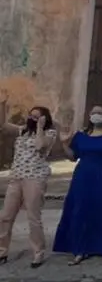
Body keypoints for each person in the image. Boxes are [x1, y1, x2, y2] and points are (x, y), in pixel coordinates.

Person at [54, 104, 102, 264]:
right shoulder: (81, 135)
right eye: (94, 112)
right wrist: (65, 144)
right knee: (79, 209)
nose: (96, 115)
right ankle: (80, 249)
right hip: (82, 175)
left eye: (100, 112)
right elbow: (73, 157)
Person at [0, 103, 57, 267]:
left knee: (33, 217)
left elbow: (40, 145)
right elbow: (3, 126)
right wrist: (3, 105)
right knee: (5, 216)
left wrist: (40, 127)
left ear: (44, 118)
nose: (33, 118)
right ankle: (2, 251)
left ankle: (38, 252)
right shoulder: (23, 130)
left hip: (35, 178)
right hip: (16, 177)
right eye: (31, 115)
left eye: (37, 116)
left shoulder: (49, 133)